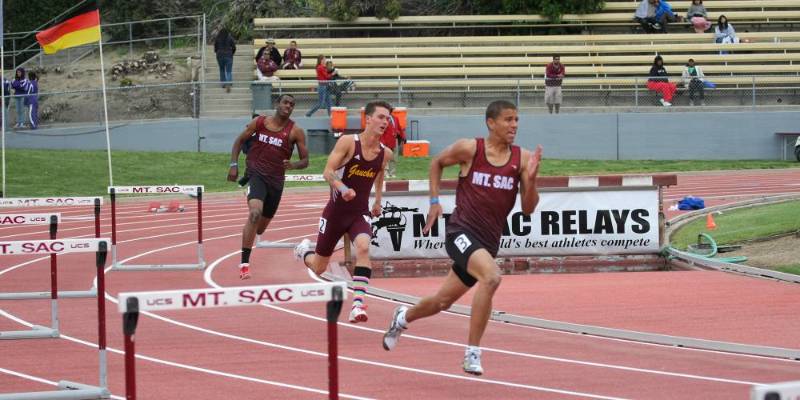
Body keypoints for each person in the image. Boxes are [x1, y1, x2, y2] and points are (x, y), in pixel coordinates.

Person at [381, 100, 543, 376]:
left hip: (488, 242)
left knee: (442, 302)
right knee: (491, 277)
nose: (514, 125)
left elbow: (528, 209)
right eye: (508, 119)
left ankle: (403, 317)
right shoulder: (471, 148)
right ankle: (472, 353)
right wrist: (434, 201)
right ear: (491, 123)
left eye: (517, 120)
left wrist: (532, 179)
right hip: (460, 232)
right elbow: (436, 162)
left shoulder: (523, 159)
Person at [294, 100, 394, 323]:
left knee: (364, 247)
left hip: (359, 212)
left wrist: (377, 200)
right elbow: (328, 172)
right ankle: (303, 252)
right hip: (336, 213)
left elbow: (379, 174)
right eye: (380, 117)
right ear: (367, 119)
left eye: (387, 119)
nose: (384, 122)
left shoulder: (385, 153)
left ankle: (358, 304)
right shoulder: (349, 142)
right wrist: (343, 188)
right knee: (319, 267)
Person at [228, 94, 309, 280]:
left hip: (276, 183)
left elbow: (305, 161)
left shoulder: (296, 131)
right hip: (256, 176)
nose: (288, 106)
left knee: (260, 228)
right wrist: (234, 165)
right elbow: (239, 141)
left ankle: (250, 232)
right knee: (254, 213)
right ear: (277, 104)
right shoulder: (260, 122)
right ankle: (244, 264)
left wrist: (293, 165)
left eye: (292, 104)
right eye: (285, 102)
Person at [380, 109, 406, 178]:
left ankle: (392, 172)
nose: (390, 112)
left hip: (395, 140)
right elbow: (381, 130)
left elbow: (399, 128)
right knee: (386, 157)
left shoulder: (395, 118)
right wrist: (382, 141)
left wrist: (403, 137)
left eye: (390, 110)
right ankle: (385, 172)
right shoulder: (383, 119)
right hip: (386, 141)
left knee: (394, 157)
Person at [214, 27, 236, 92]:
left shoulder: (217, 38)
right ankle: (228, 83)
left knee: (222, 69)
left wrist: (217, 52)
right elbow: (234, 47)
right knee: (229, 71)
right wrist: (232, 53)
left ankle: (223, 84)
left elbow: (215, 48)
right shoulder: (230, 38)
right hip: (228, 55)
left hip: (220, 55)